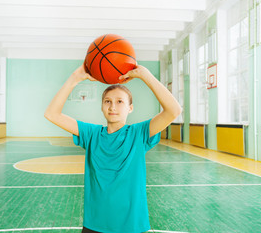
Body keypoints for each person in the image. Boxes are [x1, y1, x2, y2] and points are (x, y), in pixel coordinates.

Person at [44, 64, 182, 233]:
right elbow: (52, 114)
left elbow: (174, 110)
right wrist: (74, 78)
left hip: (131, 225)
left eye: (120, 101)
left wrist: (146, 76)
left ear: (130, 108)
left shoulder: (139, 134)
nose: (113, 107)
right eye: (107, 101)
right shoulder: (91, 134)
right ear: (102, 107)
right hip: (95, 223)